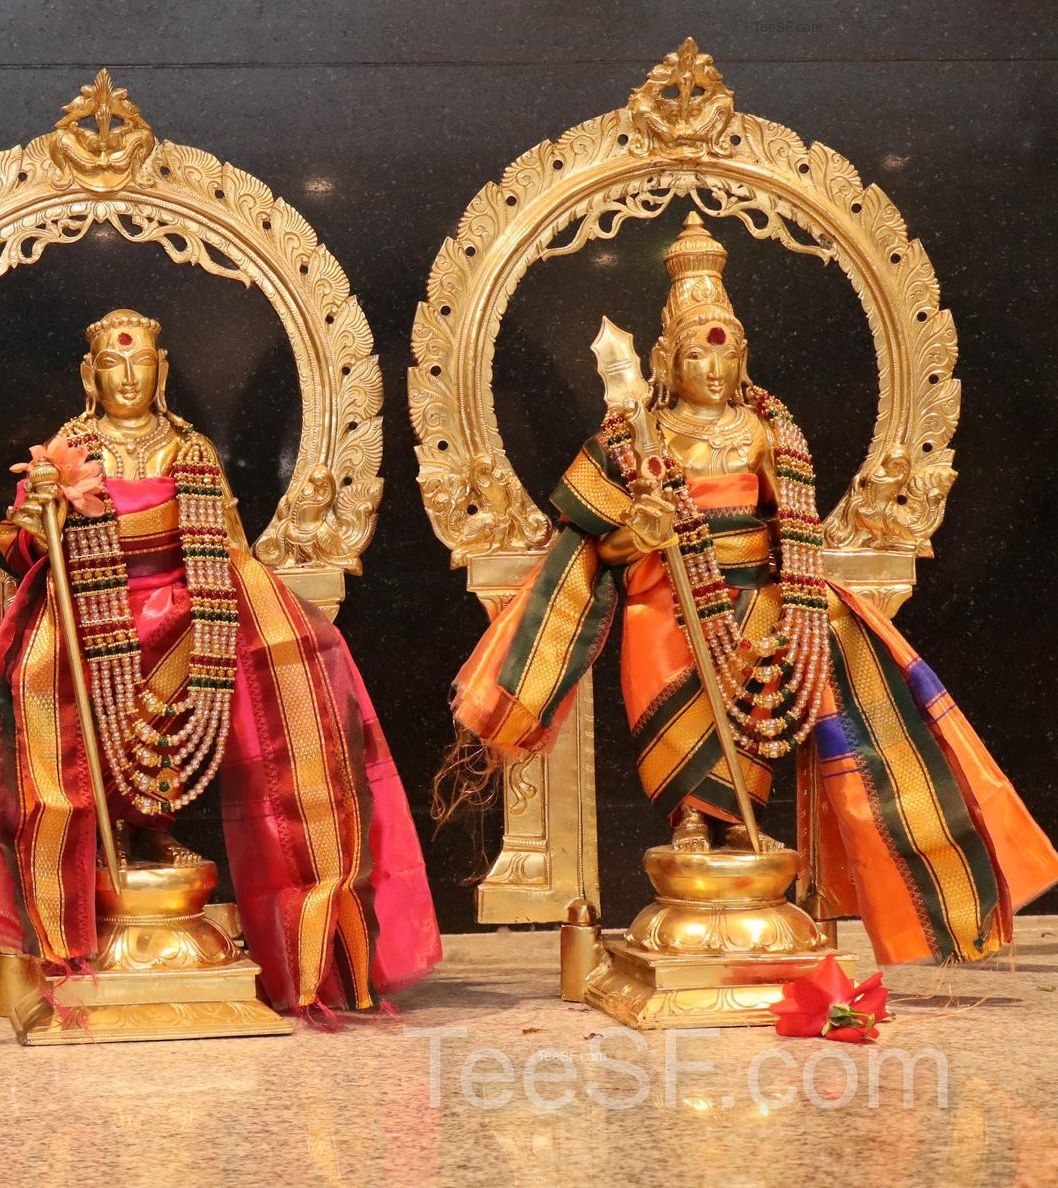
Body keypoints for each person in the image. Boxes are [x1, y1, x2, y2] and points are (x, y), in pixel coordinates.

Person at [449, 215, 1058, 964]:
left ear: (743, 356)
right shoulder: (633, 438)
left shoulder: (767, 431)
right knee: (675, 700)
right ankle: (689, 820)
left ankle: (741, 820)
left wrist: (795, 591)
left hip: (760, 598)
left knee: (756, 702)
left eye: (726, 351)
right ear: (664, 360)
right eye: (696, 354)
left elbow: (790, 525)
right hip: (663, 601)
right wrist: (640, 530)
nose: (712, 370)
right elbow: (597, 549)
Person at [0, 309, 440, 1016]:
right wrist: (42, 513)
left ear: (163, 371)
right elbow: (22, 543)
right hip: (94, 609)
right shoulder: (69, 449)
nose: (127, 377)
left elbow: (227, 543)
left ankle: (159, 826)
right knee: (63, 680)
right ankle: (107, 842)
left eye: (140, 362)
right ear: (89, 375)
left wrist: (234, 606)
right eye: (112, 364)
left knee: (282, 670)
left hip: (189, 613)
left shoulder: (190, 449)